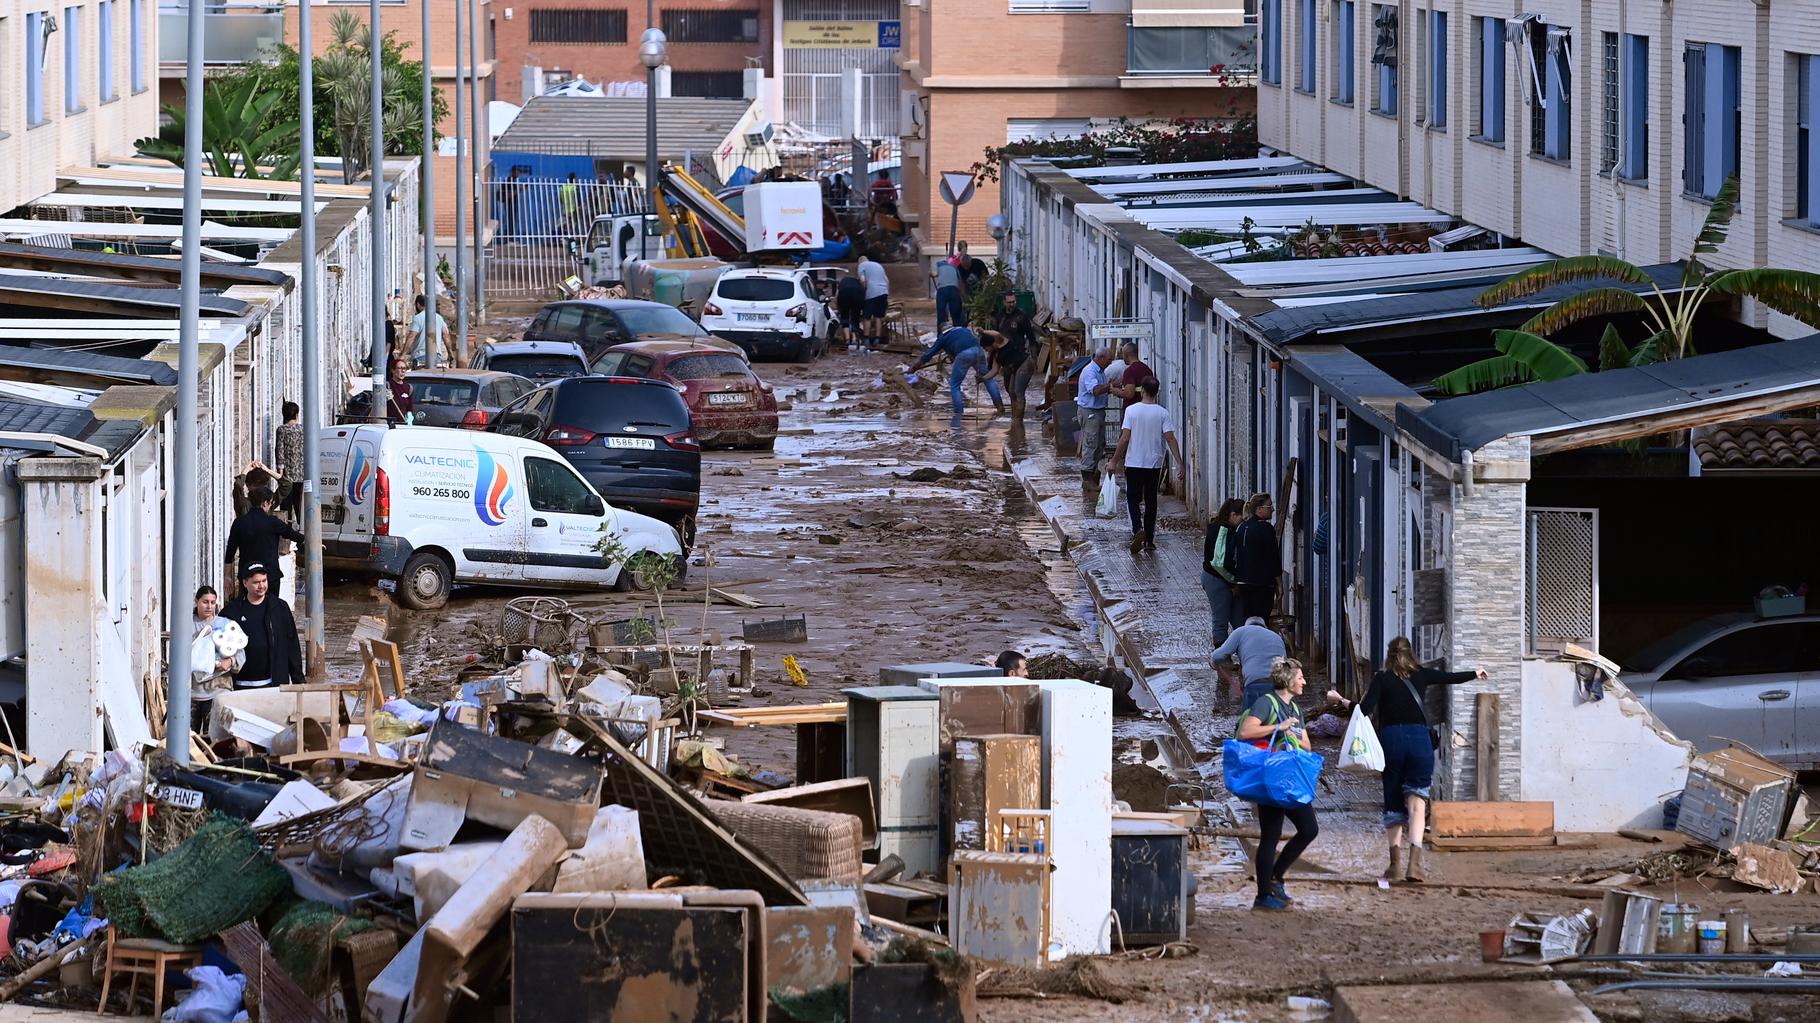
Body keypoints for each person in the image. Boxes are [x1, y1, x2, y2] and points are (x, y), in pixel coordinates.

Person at [1335, 638, 1488, 882]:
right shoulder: (1422, 674)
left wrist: (1341, 700)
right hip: (1419, 741)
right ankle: (1414, 866)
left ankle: (1395, 865)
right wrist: (1475, 673)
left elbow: (1364, 711)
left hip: (1391, 741)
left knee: (1394, 802)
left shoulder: (1381, 679)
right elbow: (1450, 677)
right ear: (1411, 653)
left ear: (1389, 655)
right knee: (1417, 801)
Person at [1235, 657, 1320, 911]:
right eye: (1301, 677)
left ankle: (1276, 876)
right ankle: (1263, 896)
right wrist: (1278, 727)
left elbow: (1307, 745)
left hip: (1289, 778)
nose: (1304, 681)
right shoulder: (1267, 703)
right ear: (1288, 680)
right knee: (1270, 836)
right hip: (1269, 778)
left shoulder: (1296, 710)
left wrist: (1292, 733)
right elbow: (1245, 733)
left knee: (1309, 828)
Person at [1108, 376, 1184, 555]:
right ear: (1156, 392)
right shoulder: (1162, 413)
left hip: (1134, 462)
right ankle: (1149, 539)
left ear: (1142, 390)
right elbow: (1170, 438)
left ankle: (1137, 529)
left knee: (1133, 500)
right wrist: (1180, 463)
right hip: (1154, 464)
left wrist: (1114, 460)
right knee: (1151, 501)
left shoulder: (1131, 411)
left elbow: (1125, 438)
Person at [221, 563, 302, 689]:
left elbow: (292, 646)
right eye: (256, 582)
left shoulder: (280, 608)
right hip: (240, 685)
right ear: (245, 583)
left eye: (264, 581)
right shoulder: (232, 611)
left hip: (273, 684)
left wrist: (299, 682)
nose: (261, 586)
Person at [225, 485, 306, 600]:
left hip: (247, 575)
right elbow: (293, 535)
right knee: (270, 610)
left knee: (247, 610)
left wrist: (227, 576)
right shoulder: (273, 522)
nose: (271, 506)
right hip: (270, 575)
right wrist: (313, 543)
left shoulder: (239, 522)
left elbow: (230, 551)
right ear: (265, 503)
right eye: (271, 503)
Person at [909, 326, 1003, 413]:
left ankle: (959, 413)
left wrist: (915, 367)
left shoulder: (943, 338)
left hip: (964, 354)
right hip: (978, 351)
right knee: (988, 379)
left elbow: (928, 354)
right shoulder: (963, 329)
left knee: (955, 384)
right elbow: (963, 342)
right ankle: (999, 406)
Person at [1210, 616, 1288, 710]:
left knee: (1249, 721)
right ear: (1264, 626)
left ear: (1247, 625)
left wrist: (1214, 664)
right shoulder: (1276, 637)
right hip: (1279, 684)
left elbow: (1217, 656)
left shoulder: (1241, 631)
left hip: (1255, 683)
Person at [1202, 498, 1247, 644]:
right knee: (1221, 621)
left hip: (1224, 579)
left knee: (1239, 621)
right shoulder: (1222, 531)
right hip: (1216, 579)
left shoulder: (1227, 529)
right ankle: (1221, 660)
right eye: (1242, 518)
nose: (1243, 522)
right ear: (1233, 515)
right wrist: (1233, 583)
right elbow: (1220, 564)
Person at [1233, 492, 1281, 622]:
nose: (1272, 509)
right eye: (1269, 506)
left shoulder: (1242, 527)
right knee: (1261, 620)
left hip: (1243, 583)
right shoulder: (1266, 529)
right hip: (1262, 585)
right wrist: (1279, 583)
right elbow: (1274, 559)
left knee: (1248, 618)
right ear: (1259, 509)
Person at [1076, 347, 1114, 489]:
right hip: (1090, 411)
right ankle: (1087, 478)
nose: (1110, 363)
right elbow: (1096, 390)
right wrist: (1110, 386)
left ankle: (1092, 474)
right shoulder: (1090, 371)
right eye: (1109, 360)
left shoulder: (1100, 371)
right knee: (1091, 443)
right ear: (1101, 358)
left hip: (1097, 411)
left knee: (1099, 444)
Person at [993, 291, 1038, 414]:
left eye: (1013, 302)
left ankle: (1019, 419)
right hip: (1006, 359)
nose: (1012, 304)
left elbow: (1031, 337)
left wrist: (1034, 358)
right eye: (1009, 302)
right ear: (1004, 302)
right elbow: (995, 337)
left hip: (1020, 357)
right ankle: (1014, 413)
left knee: (1018, 390)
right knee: (1009, 389)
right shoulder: (1000, 317)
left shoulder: (1021, 316)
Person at [274, 401, 304, 521]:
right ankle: (302, 533)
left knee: (286, 506)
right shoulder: (303, 429)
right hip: (302, 474)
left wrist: (280, 473)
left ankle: (286, 532)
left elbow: (280, 451)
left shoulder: (282, 430)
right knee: (300, 505)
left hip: (287, 475)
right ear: (296, 414)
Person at [857, 255, 890, 348]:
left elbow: (863, 280)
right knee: (878, 316)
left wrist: (864, 291)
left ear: (860, 262)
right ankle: (877, 338)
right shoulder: (878, 265)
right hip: (883, 292)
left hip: (871, 292)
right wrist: (887, 294)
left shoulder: (862, 265)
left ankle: (866, 338)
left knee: (866, 316)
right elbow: (887, 281)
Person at [407, 295, 449, 368]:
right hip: (437, 358)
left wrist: (402, 354)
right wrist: (451, 354)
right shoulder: (439, 318)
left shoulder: (417, 318)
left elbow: (411, 336)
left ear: (418, 305)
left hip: (420, 357)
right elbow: (446, 336)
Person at [932, 256, 966, 332]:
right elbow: (960, 282)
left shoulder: (938, 265)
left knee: (941, 314)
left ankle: (941, 335)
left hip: (942, 289)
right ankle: (958, 333)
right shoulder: (955, 267)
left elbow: (934, 273)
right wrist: (963, 296)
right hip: (954, 290)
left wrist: (930, 273)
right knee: (956, 314)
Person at [836, 269, 867, 348]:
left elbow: (837, 295)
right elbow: (864, 295)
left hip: (844, 294)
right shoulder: (858, 283)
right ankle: (854, 338)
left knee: (845, 315)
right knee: (855, 317)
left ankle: (847, 339)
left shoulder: (843, 281)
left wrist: (839, 307)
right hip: (857, 295)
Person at [386, 357, 414, 424]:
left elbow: (409, 408)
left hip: (402, 424)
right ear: (393, 370)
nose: (403, 371)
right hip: (389, 424)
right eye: (400, 368)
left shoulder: (408, 388)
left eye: (404, 368)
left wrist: (410, 417)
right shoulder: (387, 386)